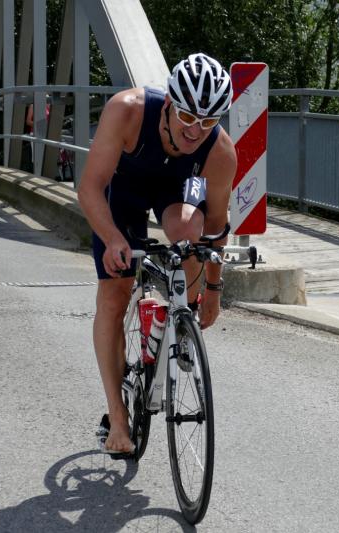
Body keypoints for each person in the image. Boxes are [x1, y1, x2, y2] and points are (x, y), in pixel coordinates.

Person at [77, 53, 237, 455]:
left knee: (190, 233)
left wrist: (212, 291)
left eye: (208, 122)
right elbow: (90, 188)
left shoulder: (218, 151)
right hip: (123, 189)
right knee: (114, 297)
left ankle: (179, 318)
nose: (195, 131)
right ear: (168, 103)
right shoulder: (128, 111)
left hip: (181, 186)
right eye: (187, 116)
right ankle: (117, 417)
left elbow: (216, 227)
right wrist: (113, 239)